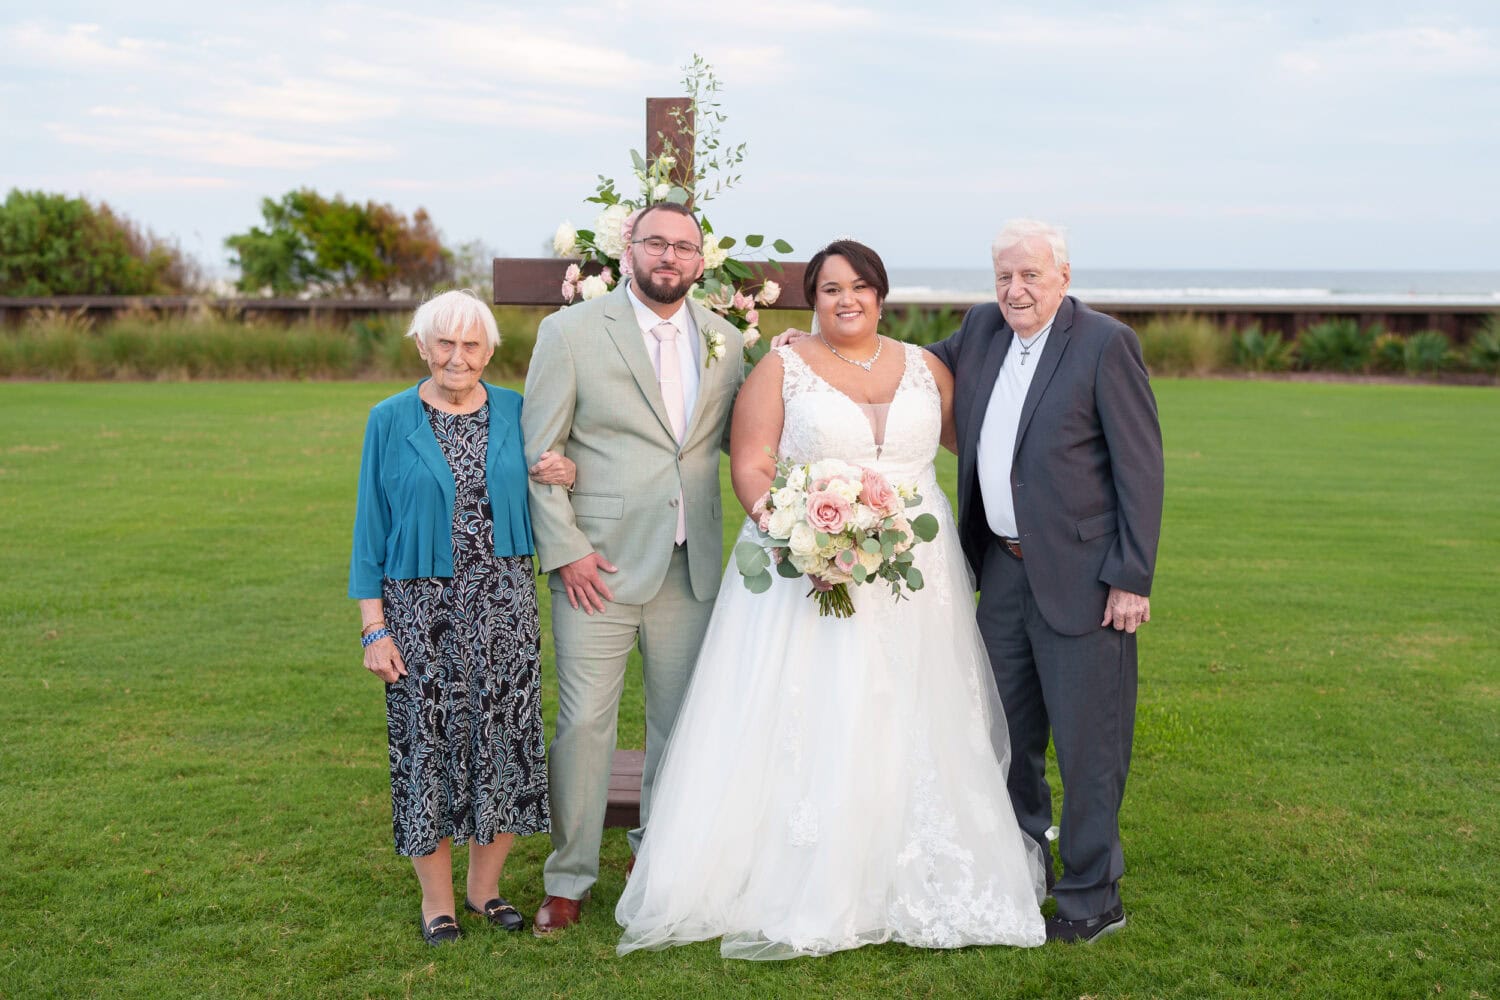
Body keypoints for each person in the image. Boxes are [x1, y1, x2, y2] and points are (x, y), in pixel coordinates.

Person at [614, 239, 1047, 959]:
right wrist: (793, 538)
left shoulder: (926, 367)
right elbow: (752, 464)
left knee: (917, 708)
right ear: (812, 301)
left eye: (859, 287)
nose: (846, 300)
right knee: (819, 707)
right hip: (808, 570)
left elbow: (979, 445)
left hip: (918, 576)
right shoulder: (781, 366)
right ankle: (810, 869)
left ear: (881, 294)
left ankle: (909, 862)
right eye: (829, 290)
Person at [926, 219, 1163, 943]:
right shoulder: (980, 331)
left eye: (1029, 274)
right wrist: (808, 347)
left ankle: (1094, 896)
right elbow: (898, 363)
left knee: (1091, 745)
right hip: (1000, 571)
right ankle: (1020, 873)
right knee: (1004, 736)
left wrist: (1130, 576)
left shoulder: (1103, 344)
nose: (1014, 289)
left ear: (1063, 275)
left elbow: (1141, 468)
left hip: (1087, 579)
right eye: (1003, 275)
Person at [520, 202, 747, 935]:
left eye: (684, 247)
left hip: (693, 564)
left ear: (700, 261)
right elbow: (541, 456)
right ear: (629, 250)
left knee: (680, 727)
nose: (670, 257)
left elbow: (743, 439)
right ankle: (569, 877)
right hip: (599, 566)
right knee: (585, 722)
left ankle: (661, 865)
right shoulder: (571, 333)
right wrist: (568, 550)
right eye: (657, 243)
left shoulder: (724, 341)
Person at [349, 289, 575, 946]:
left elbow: (551, 479)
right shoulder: (389, 419)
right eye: (443, 343)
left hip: (504, 606)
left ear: (490, 351)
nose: (457, 357)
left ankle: (486, 891)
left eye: (470, 344)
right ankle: (437, 903)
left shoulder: (518, 411)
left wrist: (570, 468)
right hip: (419, 614)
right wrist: (375, 627)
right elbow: (370, 530)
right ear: (422, 346)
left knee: (503, 744)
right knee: (430, 748)